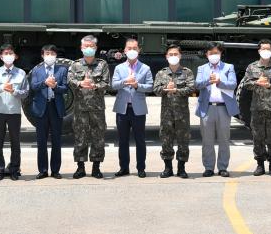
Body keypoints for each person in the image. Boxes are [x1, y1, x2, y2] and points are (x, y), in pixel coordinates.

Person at [68, 35, 111, 179]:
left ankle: (96, 167)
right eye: (85, 46)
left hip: (97, 108)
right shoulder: (75, 65)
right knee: (80, 137)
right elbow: (70, 80)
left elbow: (106, 84)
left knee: (98, 137)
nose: (88, 48)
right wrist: (80, 83)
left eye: (91, 46)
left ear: (96, 48)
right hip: (80, 108)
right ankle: (80, 167)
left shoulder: (102, 64)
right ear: (81, 48)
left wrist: (94, 85)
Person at [242, 39, 271, 177]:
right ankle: (260, 165)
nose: (265, 51)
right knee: (258, 138)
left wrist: (270, 86)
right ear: (259, 51)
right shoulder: (252, 67)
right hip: (257, 108)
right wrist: (257, 82)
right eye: (263, 49)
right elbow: (246, 84)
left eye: (268, 49)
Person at [111, 38, 154, 178]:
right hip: (123, 109)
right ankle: (124, 168)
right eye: (129, 48)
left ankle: (141, 168)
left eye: (135, 48)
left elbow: (150, 87)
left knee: (140, 140)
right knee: (122, 141)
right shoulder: (119, 68)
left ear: (139, 50)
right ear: (124, 50)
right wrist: (125, 82)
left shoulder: (145, 68)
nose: (132, 51)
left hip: (138, 109)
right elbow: (114, 85)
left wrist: (137, 86)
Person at [195, 41, 238, 177]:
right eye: (211, 53)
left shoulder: (228, 67)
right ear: (206, 54)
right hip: (207, 108)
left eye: (216, 53)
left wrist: (219, 82)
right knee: (207, 140)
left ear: (221, 54)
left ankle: (222, 167)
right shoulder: (202, 68)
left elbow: (232, 84)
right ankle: (208, 167)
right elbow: (197, 84)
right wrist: (209, 80)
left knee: (224, 140)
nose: (214, 55)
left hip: (223, 108)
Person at [0, 44, 29, 181]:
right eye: (6, 53)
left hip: (14, 112)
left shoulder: (21, 73)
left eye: (11, 53)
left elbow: (25, 93)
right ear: (1, 56)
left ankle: (14, 169)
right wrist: (2, 88)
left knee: (15, 142)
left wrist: (14, 91)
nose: (8, 55)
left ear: (15, 56)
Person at [153, 43, 195, 179]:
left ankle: (181, 168)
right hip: (166, 113)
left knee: (183, 140)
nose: (173, 56)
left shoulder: (187, 72)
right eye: (170, 54)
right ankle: (168, 168)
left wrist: (177, 90)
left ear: (180, 56)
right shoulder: (161, 73)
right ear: (166, 57)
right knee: (166, 139)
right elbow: (156, 90)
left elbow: (191, 89)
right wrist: (166, 88)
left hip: (182, 113)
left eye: (175, 54)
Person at [29, 44, 68, 179]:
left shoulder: (62, 70)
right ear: (42, 55)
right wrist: (45, 83)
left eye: (52, 53)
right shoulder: (37, 70)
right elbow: (33, 86)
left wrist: (55, 86)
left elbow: (65, 88)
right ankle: (43, 170)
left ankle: (56, 170)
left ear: (56, 55)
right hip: (41, 108)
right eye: (47, 53)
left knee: (57, 141)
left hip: (55, 107)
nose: (49, 56)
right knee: (41, 141)